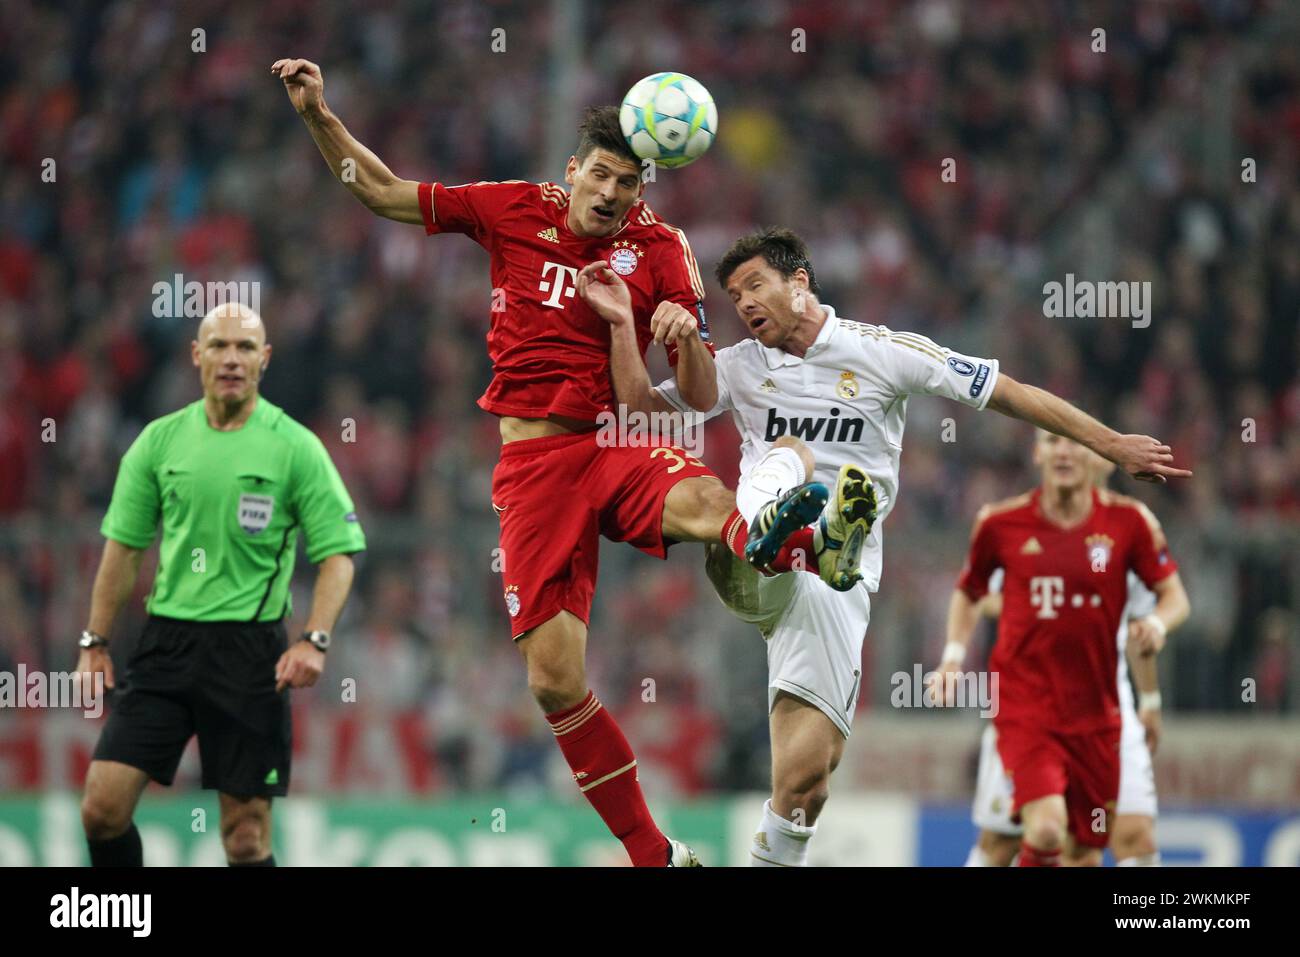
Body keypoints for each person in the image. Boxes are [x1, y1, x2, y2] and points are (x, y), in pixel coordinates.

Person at [274, 58, 834, 866]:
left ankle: (810, 543)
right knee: (553, 679)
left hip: (611, 442)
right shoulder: (511, 209)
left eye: (628, 184)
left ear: (645, 191)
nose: (610, 194)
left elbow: (702, 395)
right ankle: (656, 854)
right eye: (599, 175)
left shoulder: (663, 248)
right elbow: (383, 191)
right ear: (572, 172)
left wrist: (680, 334)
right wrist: (318, 115)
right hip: (533, 468)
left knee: (712, 504)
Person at [582, 225, 1191, 866]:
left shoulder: (881, 352)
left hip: (837, 582)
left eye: (756, 285)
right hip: (749, 551)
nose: (745, 303)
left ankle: (824, 542)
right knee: (790, 452)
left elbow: (1010, 393)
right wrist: (625, 325)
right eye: (734, 295)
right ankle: (781, 530)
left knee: (805, 784)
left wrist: (1112, 445)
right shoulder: (737, 366)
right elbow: (643, 416)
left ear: (800, 282)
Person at [79, 303, 366, 866]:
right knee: (102, 810)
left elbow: (339, 555)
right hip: (167, 647)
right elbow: (124, 548)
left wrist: (315, 639)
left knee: (245, 838)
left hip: (250, 656)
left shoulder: (294, 447)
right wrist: (95, 642)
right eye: (218, 346)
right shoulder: (158, 443)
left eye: (244, 348)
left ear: (265, 359)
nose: (231, 358)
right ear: (196, 356)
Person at [937, 430, 1189, 866]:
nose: (1065, 450)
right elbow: (973, 592)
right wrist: (954, 657)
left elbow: (1159, 611)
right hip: (1026, 708)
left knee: (1089, 849)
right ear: (1036, 453)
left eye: (1076, 441)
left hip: (1099, 713)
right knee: (1035, 831)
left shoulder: (1129, 526)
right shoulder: (1003, 525)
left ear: (1101, 458)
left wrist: (1151, 677)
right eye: (1053, 440)